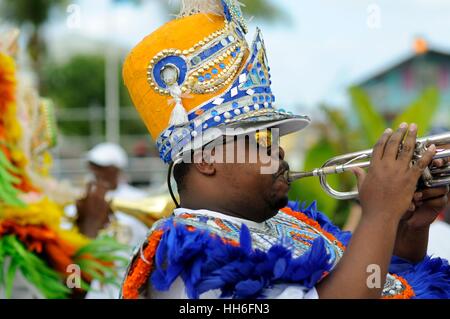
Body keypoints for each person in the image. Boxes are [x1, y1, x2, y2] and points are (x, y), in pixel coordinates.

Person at [119, 0, 450, 299]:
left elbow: (384, 283)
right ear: (206, 159)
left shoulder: (292, 223)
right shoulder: (186, 252)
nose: (278, 152)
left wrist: (408, 227)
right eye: (261, 140)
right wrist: (380, 213)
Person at [67, 142, 149, 298]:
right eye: (93, 165)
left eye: (102, 166)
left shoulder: (140, 200)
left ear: (116, 169)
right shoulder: (78, 205)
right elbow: (72, 283)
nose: (96, 171)